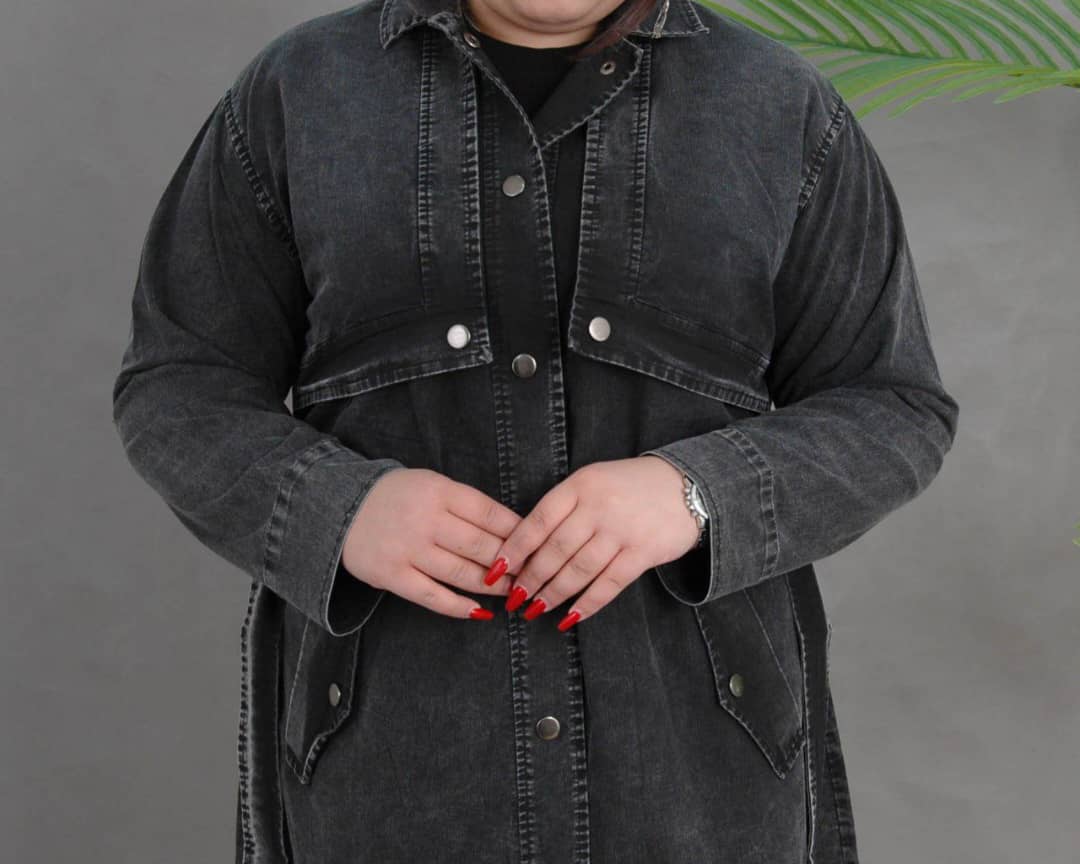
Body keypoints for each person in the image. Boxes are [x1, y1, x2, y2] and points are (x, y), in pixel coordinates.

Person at [111, 0, 960, 860]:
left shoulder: (779, 105)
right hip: (389, 778)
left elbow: (893, 404)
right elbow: (178, 384)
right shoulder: (299, 91)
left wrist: (697, 494)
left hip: (700, 784)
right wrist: (338, 509)